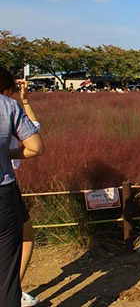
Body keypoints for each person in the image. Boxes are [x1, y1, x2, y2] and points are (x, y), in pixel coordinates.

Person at [0, 67, 44, 307]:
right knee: (7, 277)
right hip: (3, 193)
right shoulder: (7, 106)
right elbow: (36, 145)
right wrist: (7, 155)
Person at [10, 80, 41, 307]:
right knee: (25, 238)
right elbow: (34, 132)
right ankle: (13, 291)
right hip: (5, 187)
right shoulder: (7, 109)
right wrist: (25, 100)